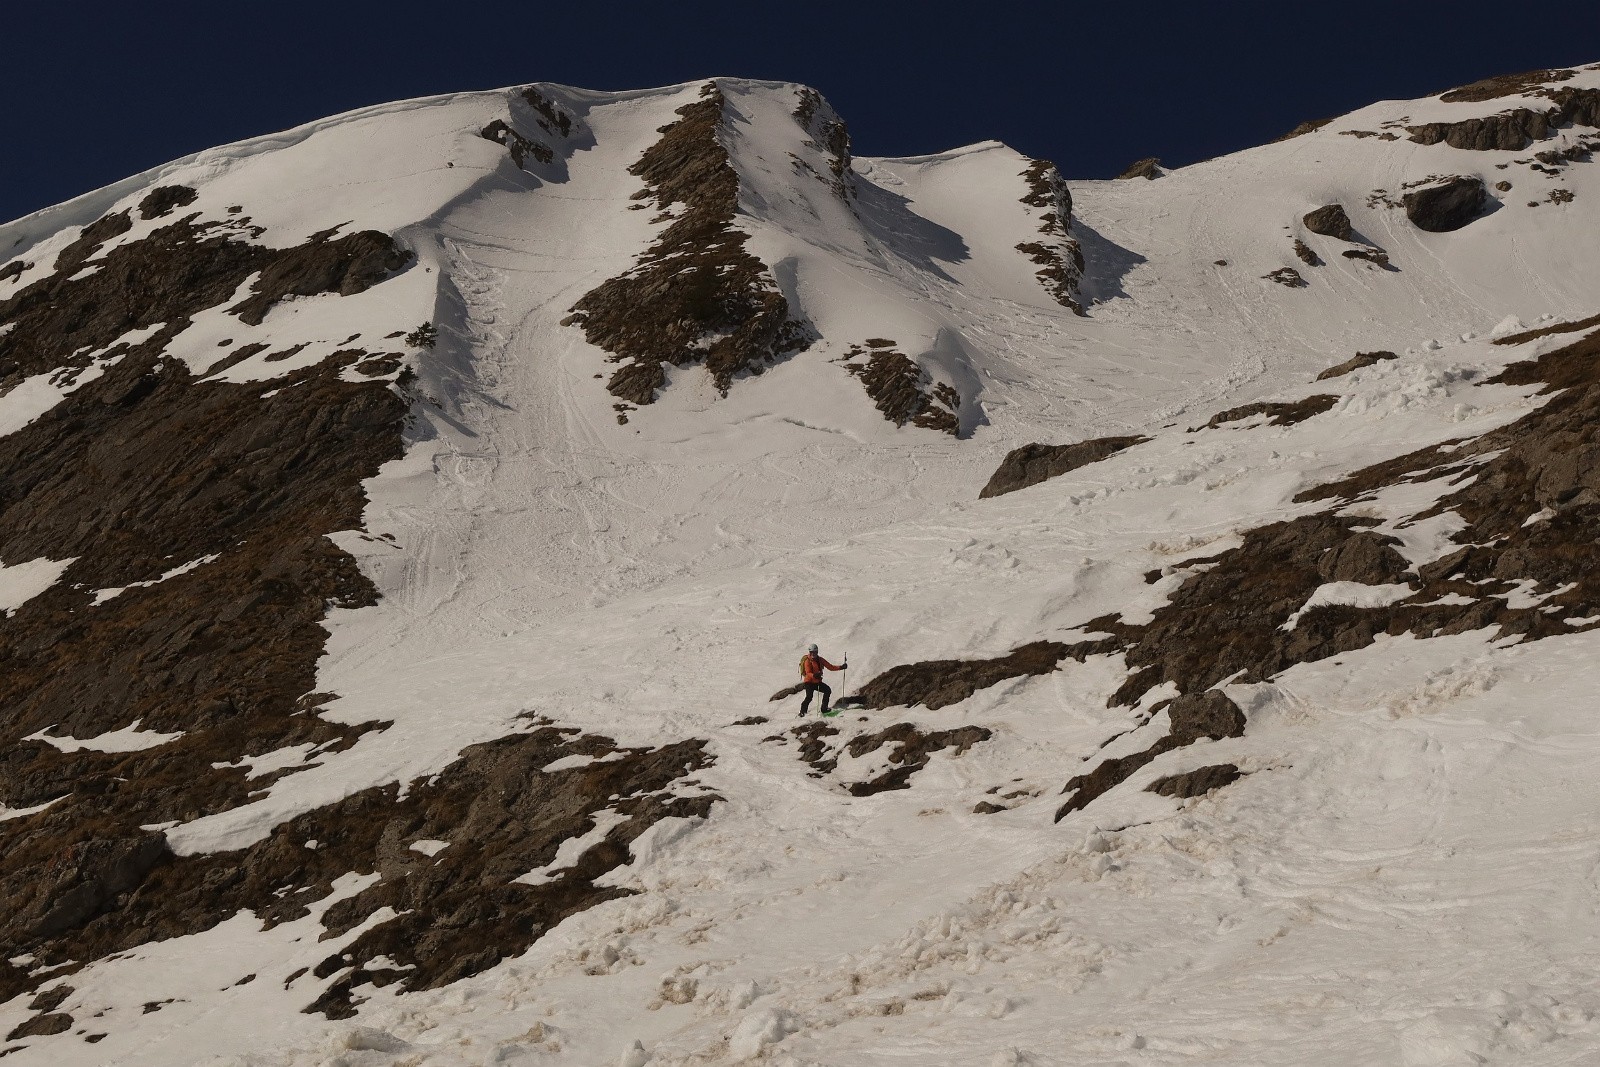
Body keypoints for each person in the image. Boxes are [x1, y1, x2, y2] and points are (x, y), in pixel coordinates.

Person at [798, 643, 846, 717]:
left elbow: (830, 667)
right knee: (809, 697)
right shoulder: (807, 661)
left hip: (817, 682)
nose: (813, 654)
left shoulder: (820, 660)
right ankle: (802, 712)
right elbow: (808, 673)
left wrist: (841, 667)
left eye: (814, 652)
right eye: (811, 652)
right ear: (809, 652)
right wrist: (814, 675)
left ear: (817, 652)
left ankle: (824, 709)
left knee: (827, 690)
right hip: (809, 682)